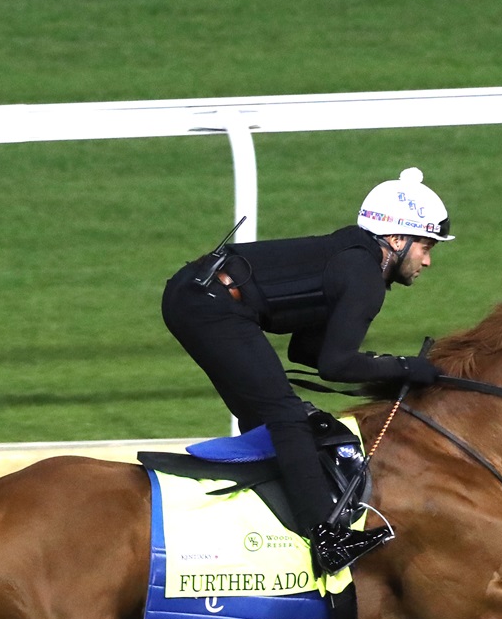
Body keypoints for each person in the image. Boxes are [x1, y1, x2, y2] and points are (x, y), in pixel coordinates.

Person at [161, 166, 453, 575]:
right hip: (210, 303)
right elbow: (336, 364)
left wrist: (392, 370)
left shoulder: (352, 258)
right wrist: (404, 367)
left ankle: (263, 520)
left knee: (268, 414)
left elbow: (306, 350)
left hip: (198, 294)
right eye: (426, 245)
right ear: (397, 239)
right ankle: (326, 541)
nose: (427, 260)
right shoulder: (363, 276)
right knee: (286, 416)